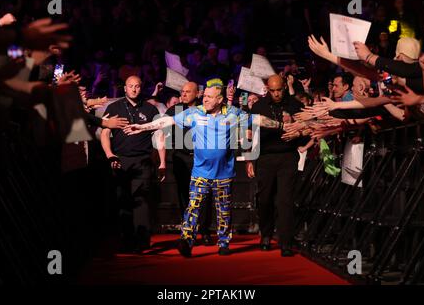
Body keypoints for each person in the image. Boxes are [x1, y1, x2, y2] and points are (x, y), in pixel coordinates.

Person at [124, 78, 292, 257]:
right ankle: (187, 241)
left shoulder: (233, 113)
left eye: (210, 97)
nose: (205, 100)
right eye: (205, 96)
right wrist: (142, 128)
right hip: (200, 172)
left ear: (220, 100)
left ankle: (223, 242)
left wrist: (282, 125)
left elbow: (258, 119)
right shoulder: (195, 113)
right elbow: (166, 122)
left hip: (223, 173)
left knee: (223, 209)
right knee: (192, 208)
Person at [100, 75, 166, 253]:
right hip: (119, 159)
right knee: (122, 201)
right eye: (131, 86)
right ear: (125, 88)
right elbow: (105, 133)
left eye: (137, 86)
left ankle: (142, 242)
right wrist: (110, 155)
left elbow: (159, 135)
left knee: (142, 201)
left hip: (143, 160)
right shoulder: (114, 107)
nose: (134, 89)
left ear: (141, 87)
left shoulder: (150, 109)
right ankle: (125, 240)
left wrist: (162, 162)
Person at [247, 74, 304, 257]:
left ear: (284, 88)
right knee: (264, 199)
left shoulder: (295, 104)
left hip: (288, 156)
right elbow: (251, 134)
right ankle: (265, 235)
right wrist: (249, 159)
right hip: (265, 158)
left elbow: (308, 127)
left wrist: (297, 133)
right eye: (273, 90)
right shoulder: (259, 106)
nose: (277, 93)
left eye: (279, 90)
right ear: (267, 89)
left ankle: (285, 241)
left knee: (285, 201)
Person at [164, 81, 214, 245]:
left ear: (197, 94)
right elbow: (163, 132)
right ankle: (188, 231)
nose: (183, 94)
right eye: (182, 91)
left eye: (187, 92)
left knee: (204, 196)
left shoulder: (206, 110)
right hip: (181, 158)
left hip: (202, 158)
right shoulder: (173, 111)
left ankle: (205, 230)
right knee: (184, 195)